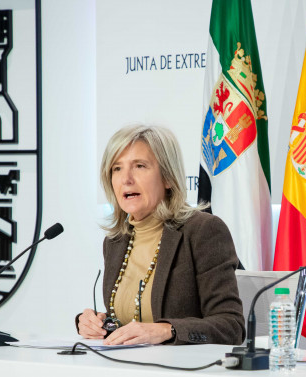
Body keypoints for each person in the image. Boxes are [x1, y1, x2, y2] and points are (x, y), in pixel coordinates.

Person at [76, 124, 245, 345]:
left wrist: (169, 330)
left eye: (139, 166)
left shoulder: (203, 231)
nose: (126, 178)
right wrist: (95, 323)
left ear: (167, 177)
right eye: (117, 168)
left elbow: (231, 326)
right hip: (125, 370)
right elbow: (134, 318)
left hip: (184, 373)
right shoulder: (116, 241)